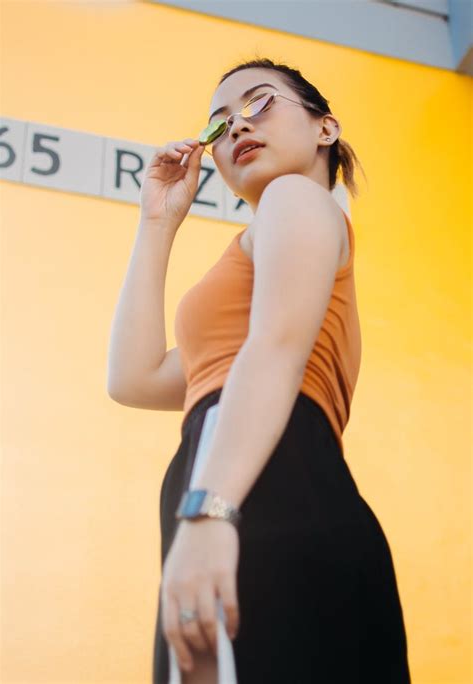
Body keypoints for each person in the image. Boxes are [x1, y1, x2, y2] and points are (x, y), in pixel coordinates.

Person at [107, 57, 411, 683]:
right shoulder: (256, 251)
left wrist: (210, 513)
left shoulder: (297, 198)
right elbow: (133, 380)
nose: (238, 126)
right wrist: (158, 220)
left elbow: (273, 349)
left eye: (260, 103)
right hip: (239, 487)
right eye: (218, 125)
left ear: (326, 128)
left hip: (261, 493)